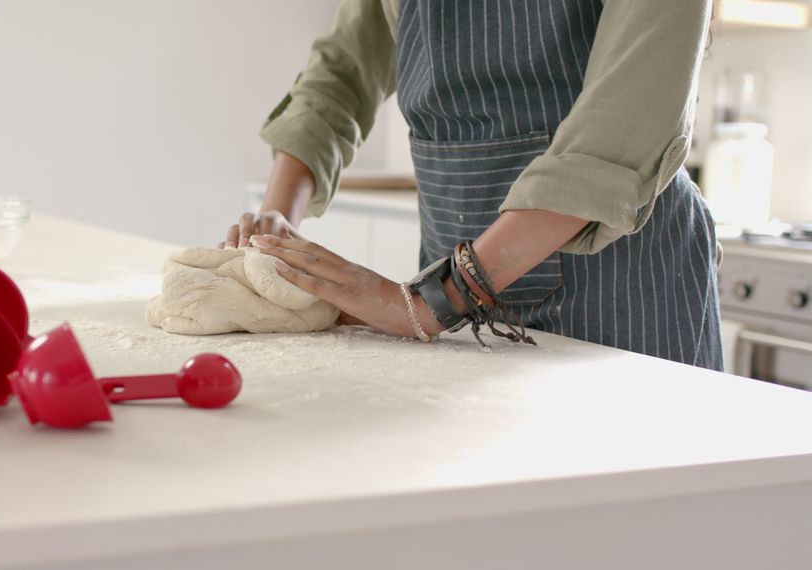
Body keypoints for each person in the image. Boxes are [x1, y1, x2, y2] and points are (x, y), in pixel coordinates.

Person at [226, 0, 722, 370]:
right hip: (450, 293)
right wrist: (277, 224)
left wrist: (435, 301)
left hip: (621, 284)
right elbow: (341, 72)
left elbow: (623, 114)